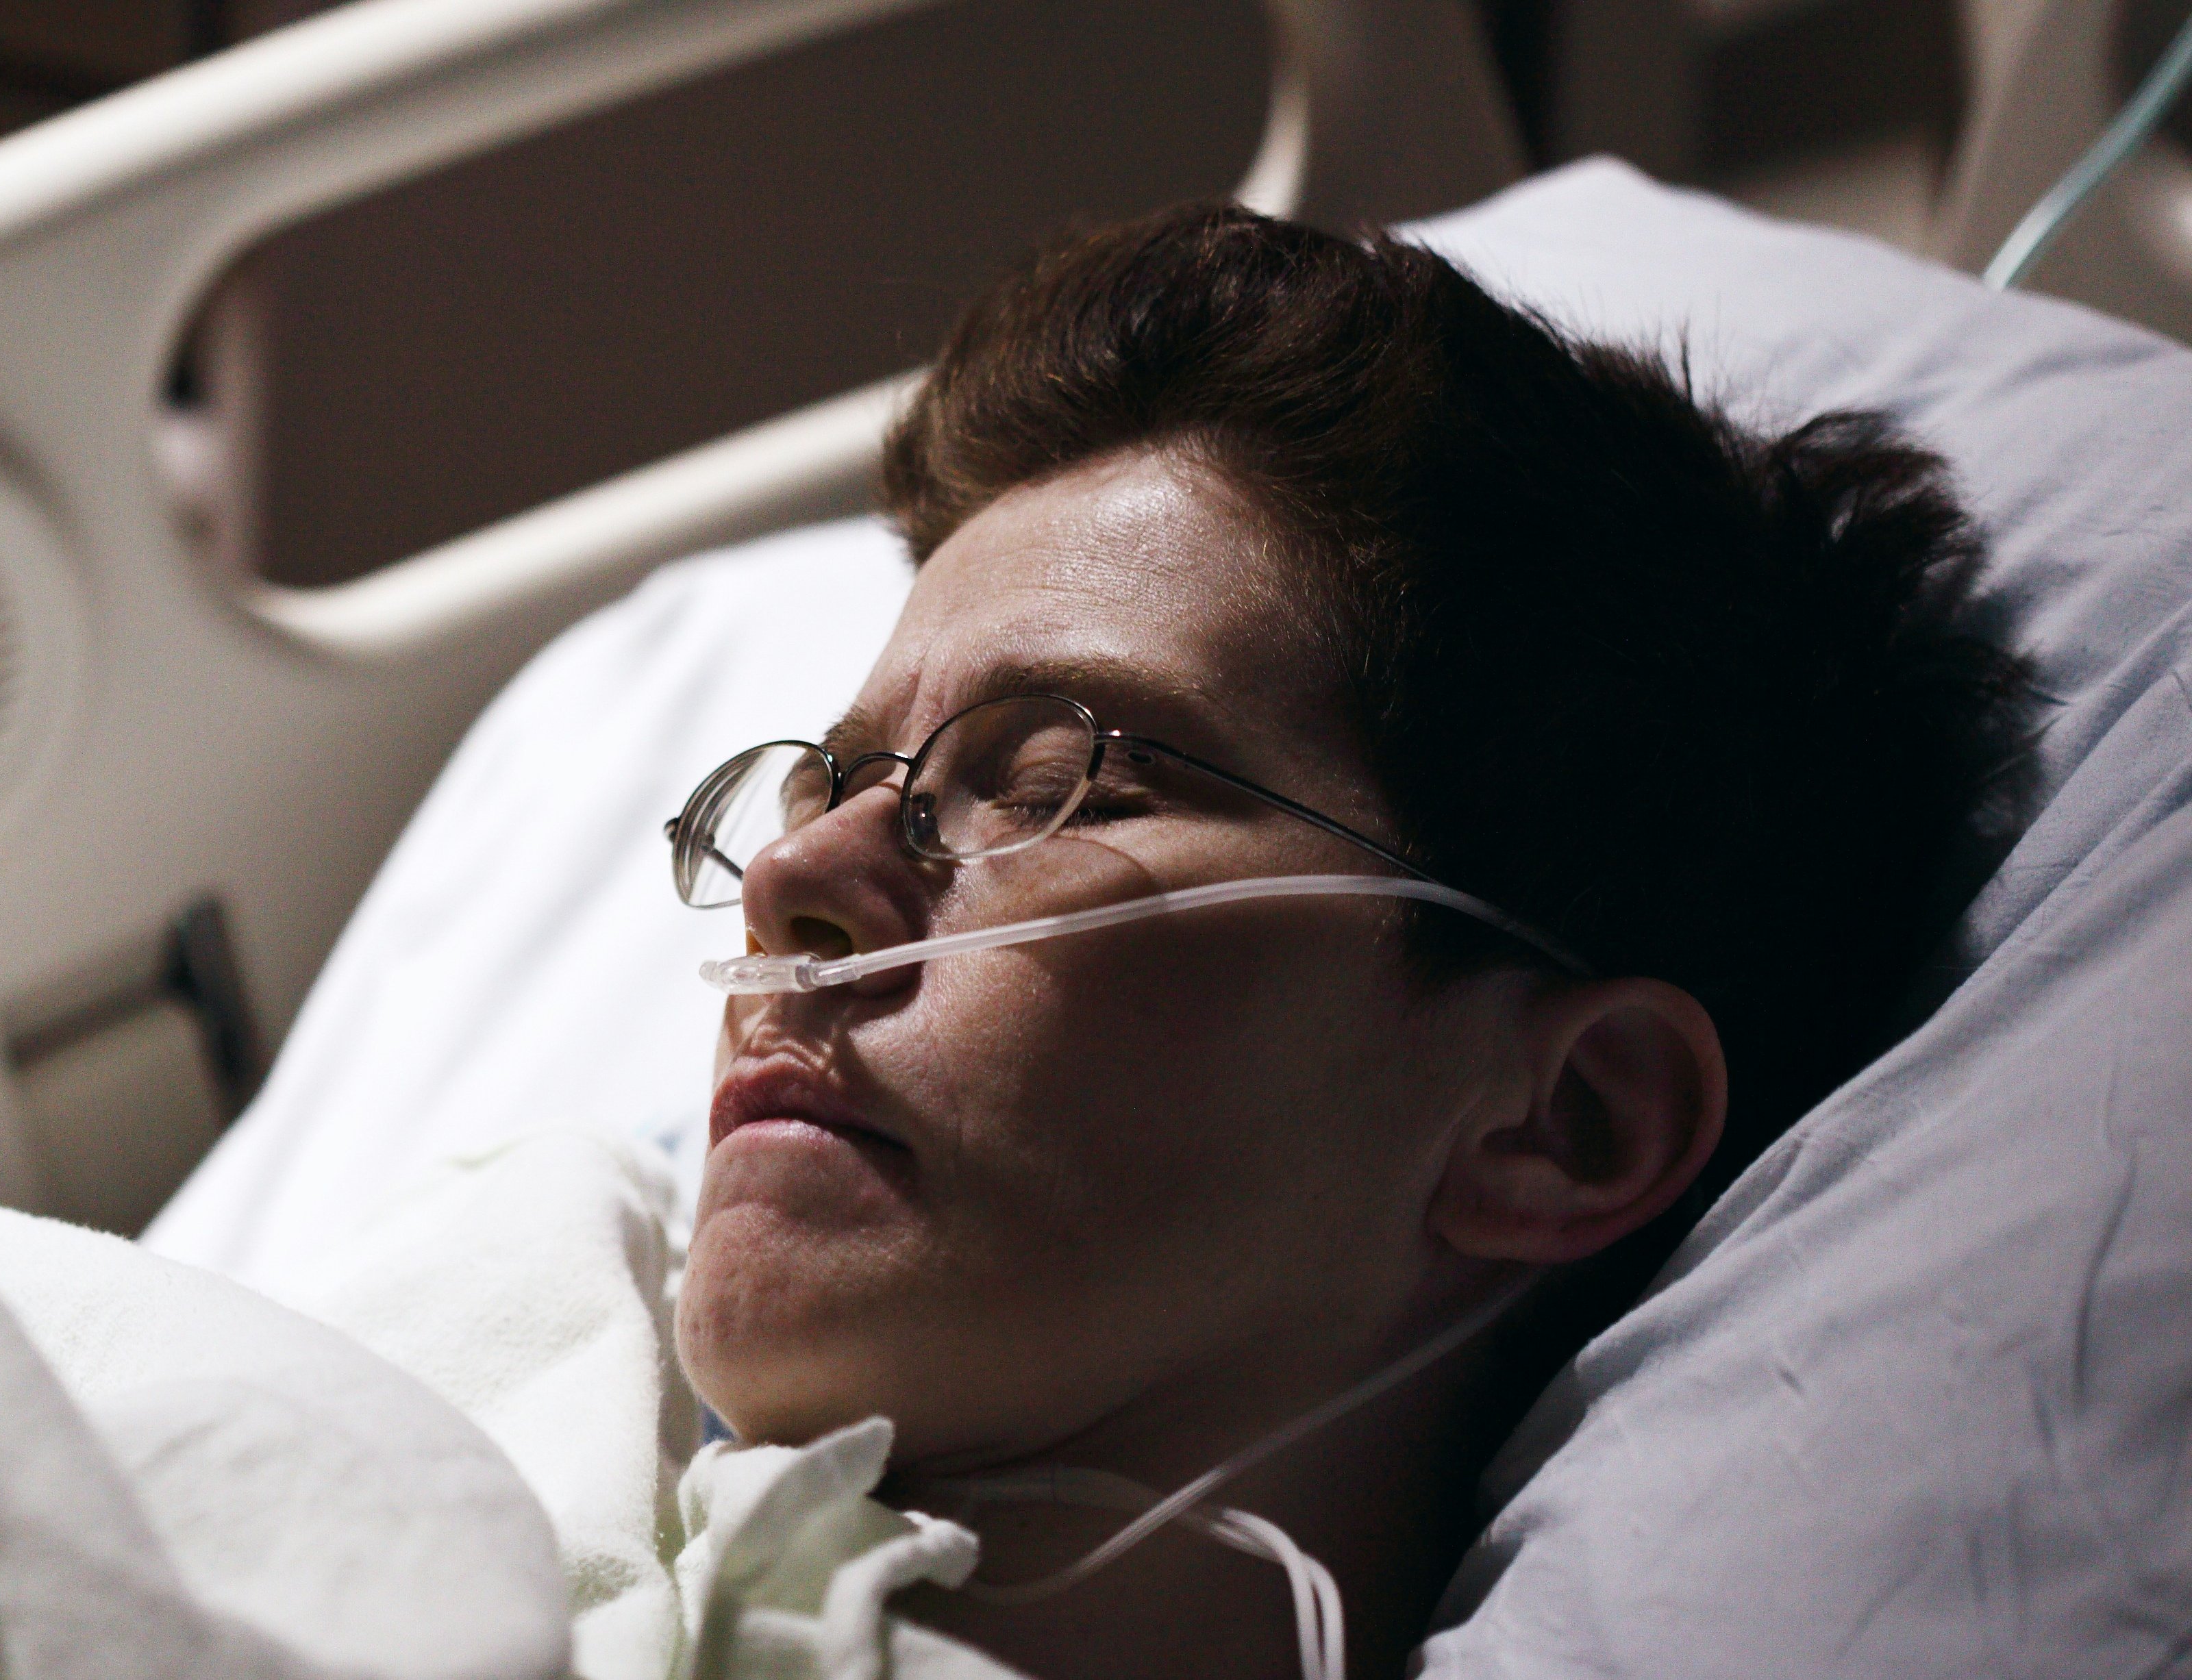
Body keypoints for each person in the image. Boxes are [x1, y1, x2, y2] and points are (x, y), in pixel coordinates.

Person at [667, 203, 2021, 1680]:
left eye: (1059, 788)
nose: (793, 873)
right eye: (837, 783)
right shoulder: (491, 1330)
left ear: (1559, 1124)